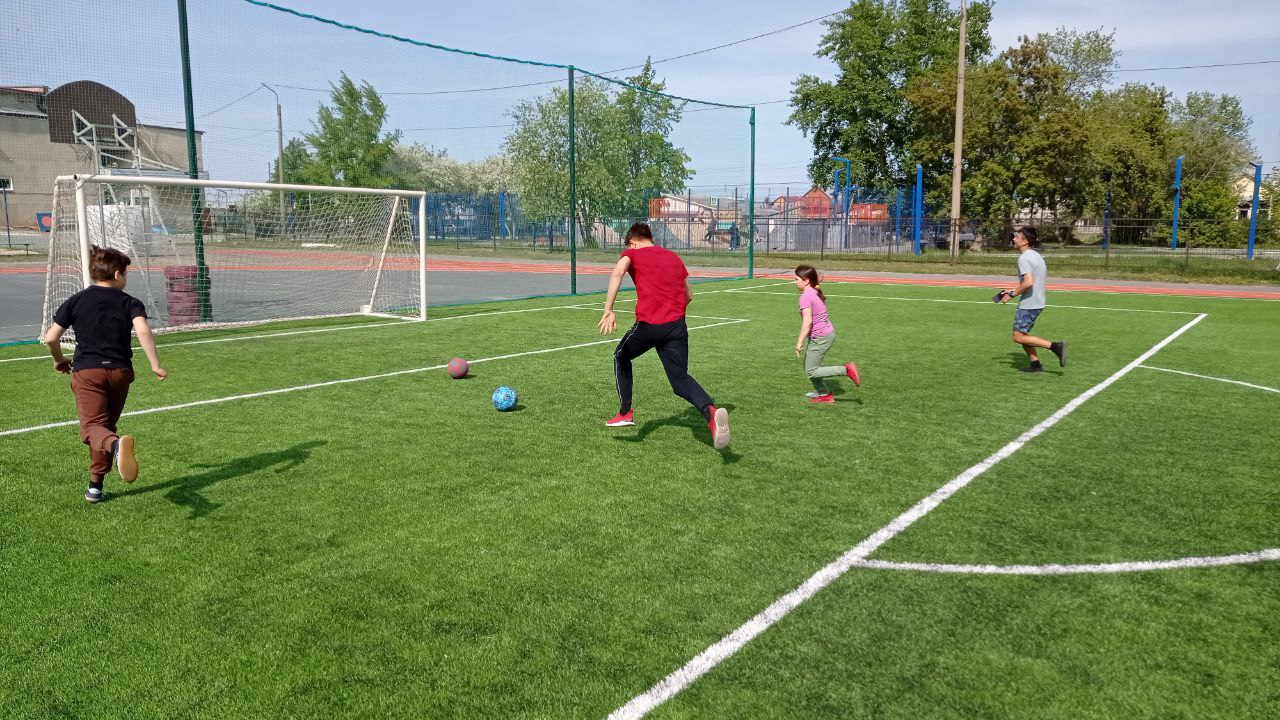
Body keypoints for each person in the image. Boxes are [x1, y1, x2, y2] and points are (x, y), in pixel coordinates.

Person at [43, 246, 168, 503]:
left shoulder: (76, 300)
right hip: (121, 373)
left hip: (89, 372)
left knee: (93, 429)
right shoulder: (130, 302)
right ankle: (95, 487)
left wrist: (58, 360)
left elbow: (51, 338)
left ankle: (116, 446)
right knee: (105, 428)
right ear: (117, 274)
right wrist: (155, 364)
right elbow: (143, 330)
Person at [597, 223, 730, 449]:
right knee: (680, 381)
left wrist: (608, 309)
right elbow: (689, 294)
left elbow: (618, 272)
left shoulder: (631, 253)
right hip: (677, 327)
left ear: (632, 242)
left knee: (621, 356)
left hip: (650, 325)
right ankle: (711, 414)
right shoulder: (674, 257)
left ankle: (625, 412)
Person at [998, 226, 1067, 373]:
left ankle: (1056, 347)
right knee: (1023, 335)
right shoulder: (1035, 255)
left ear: (1025, 242)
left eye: (1016, 237)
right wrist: (1011, 291)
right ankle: (1035, 365)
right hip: (1037, 300)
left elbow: (1028, 282)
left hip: (1030, 303)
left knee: (1018, 337)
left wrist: (1012, 295)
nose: (1013, 239)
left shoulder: (1024, 258)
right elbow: (1030, 282)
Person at [793, 265, 860, 402]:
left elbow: (807, 322)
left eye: (796, 279)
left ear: (806, 281)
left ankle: (846, 370)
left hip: (821, 337)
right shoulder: (814, 290)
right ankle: (824, 395)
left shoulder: (805, 296)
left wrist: (799, 341)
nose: (794, 282)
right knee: (809, 367)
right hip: (824, 335)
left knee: (811, 370)